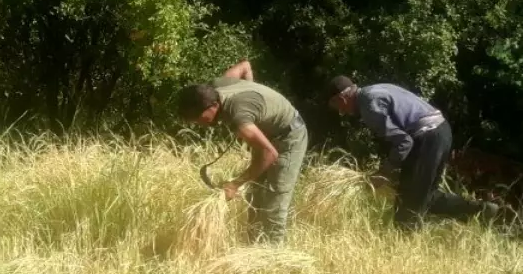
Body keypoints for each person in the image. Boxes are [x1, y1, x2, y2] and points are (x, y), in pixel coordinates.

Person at [327, 76, 499, 229]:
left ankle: (403, 251)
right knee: (425, 196)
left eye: (337, 107)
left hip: (427, 137)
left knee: (407, 208)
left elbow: (404, 141)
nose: (342, 113)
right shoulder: (377, 89)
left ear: (342, 97)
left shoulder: (368, 106)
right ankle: (481, 210)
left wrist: (384, 172)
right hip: (441, 131)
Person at [176, 60, 309, 243]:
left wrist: (234, 184)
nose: (200, 124)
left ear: (212, 106)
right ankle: (252, 248)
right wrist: (254, 98)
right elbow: (244, 66)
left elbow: (270, 154)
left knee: (274, 200)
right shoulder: (217, 86)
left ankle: (275, 259)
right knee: (255, 195)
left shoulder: (238, 115)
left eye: (199, 119)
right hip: (268, 136)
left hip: (289, 136)